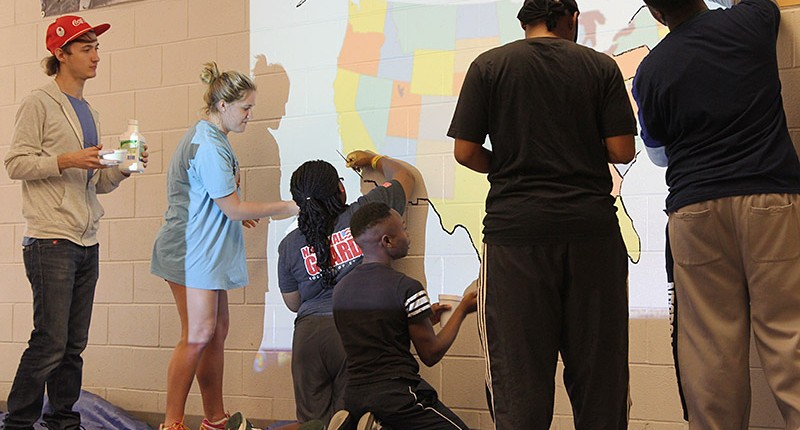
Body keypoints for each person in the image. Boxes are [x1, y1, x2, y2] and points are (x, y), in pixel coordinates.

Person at [447, 0, 638, 428]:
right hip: (592, 234)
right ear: (567, 17)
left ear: (525, 22)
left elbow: (465, 152)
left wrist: (512, 163)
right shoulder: (600, 67)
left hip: (516, 238)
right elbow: (622, 150)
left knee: (519, 382)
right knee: (600, 378)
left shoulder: (488, 66)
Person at [633, 0, 800, 428]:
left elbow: (657, 155)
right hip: (770, 197)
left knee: (710, 358)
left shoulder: (652, 70)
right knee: (790, 339)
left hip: (694, 212)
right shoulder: (750, 21)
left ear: (654, 11)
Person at [2, 15, 147, 430]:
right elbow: (14, 163)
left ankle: (63, 420)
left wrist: (121, 168)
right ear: (60, 54)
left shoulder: (89, 111)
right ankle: (18, 422)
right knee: (49, 342)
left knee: (73, 346)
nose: (96, 56)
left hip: (86, 240)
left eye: (96, 48)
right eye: (87, 49)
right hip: (50, 239)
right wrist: (66, 159)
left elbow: (94, 184)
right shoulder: (39, 103)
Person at [150, 62, 298, 430]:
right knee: (199, 333)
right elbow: (231, 207)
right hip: (189, 252)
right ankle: (172, 423)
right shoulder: (208, 145)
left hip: (207, 250)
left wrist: (235, 209)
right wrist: (293, 206)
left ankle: (214, 419)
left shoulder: (214, 140)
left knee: (216, 332)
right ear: (222, 106)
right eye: (245, 108)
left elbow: (217, 199)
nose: (250, 116)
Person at [276, 152, 415, 428]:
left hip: (307, 338)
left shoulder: (289, 244)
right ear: (340, 189)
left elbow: (293, 302)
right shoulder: (364, 216)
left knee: (312, 425)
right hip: (351, 334)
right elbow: (406, 178)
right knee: (348, 422)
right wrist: (373, 160)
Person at [331, 202, 478, 430]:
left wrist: (423, 320)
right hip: (396, 395)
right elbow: (430, 353)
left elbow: (375, 334)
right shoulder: (407, 288)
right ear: (387, 241)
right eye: (404, 229)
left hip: (353, 395)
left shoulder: (341, 289)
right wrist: (462, 310)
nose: (408, 236)